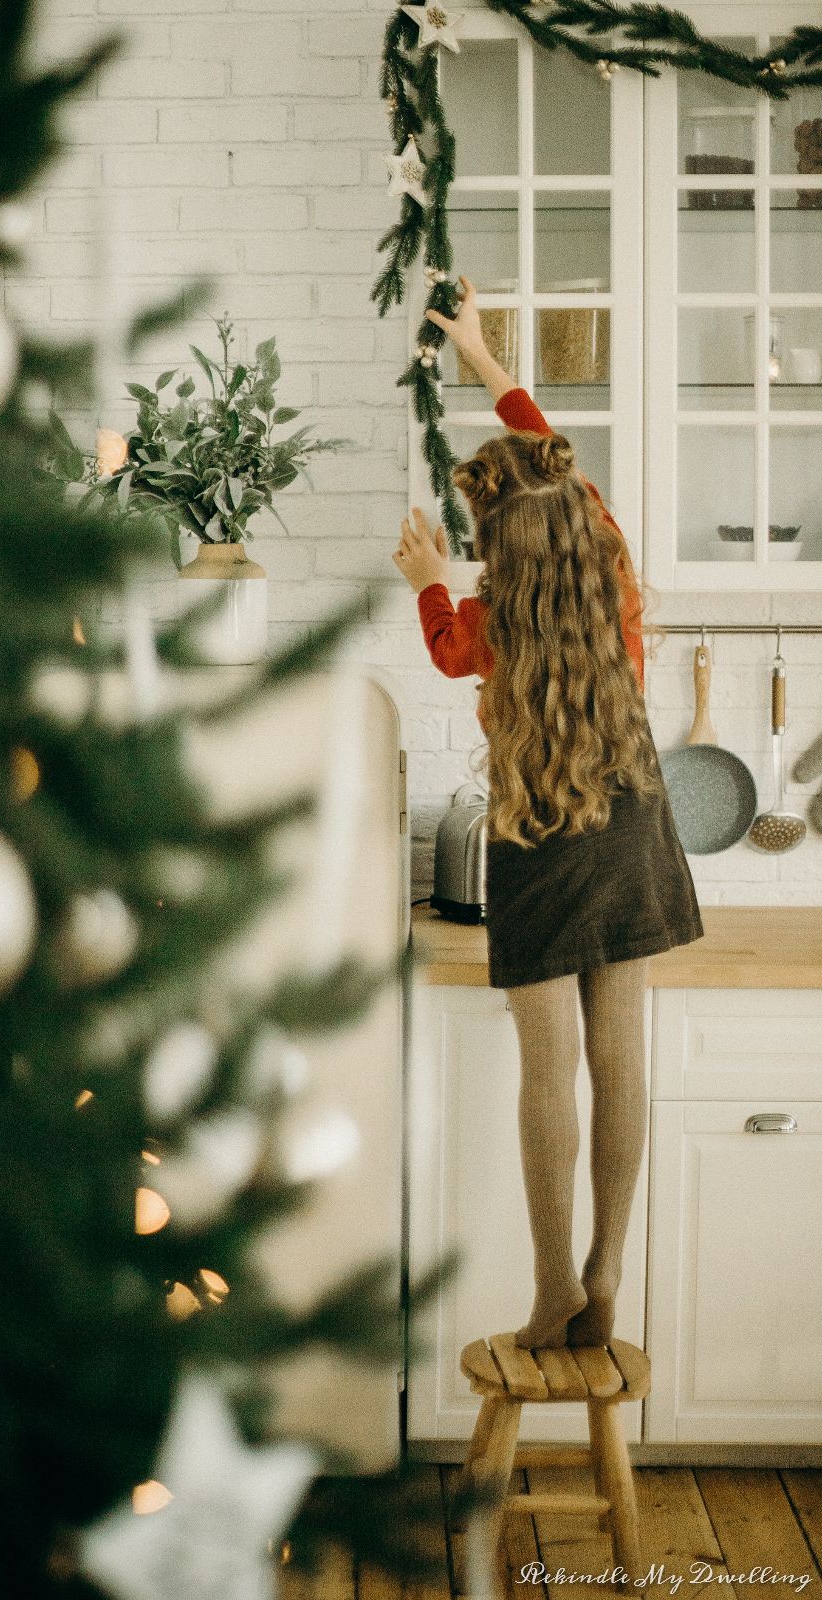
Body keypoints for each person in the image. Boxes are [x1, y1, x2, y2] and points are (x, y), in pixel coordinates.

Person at [393, 277, 704, 1351]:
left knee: (548, 1068)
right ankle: (607, 1263)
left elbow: (443, 653)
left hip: (534, 828)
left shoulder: (487, 618)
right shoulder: (608, 558)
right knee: (623, 1053)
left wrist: (434, 579)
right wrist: (483, 357)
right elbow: (549, 450)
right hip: (630, 819)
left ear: (499, 553)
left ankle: (549, 1288)